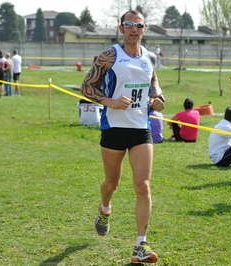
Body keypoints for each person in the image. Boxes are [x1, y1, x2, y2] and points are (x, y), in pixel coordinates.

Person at [80, 10, 165, 264]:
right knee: (111, 185)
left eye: (139, 25)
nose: (134, 29)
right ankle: (104, 209)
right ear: (121, 28)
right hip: (114, 128)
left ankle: (141, 245)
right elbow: (86, 87)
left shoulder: (149, 57)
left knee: (143, 186)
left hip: (141, 129)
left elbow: (154, 82)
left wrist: (158, 97)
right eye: (129, 25)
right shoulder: (110, 56)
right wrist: (111, 102)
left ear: (144, 30)